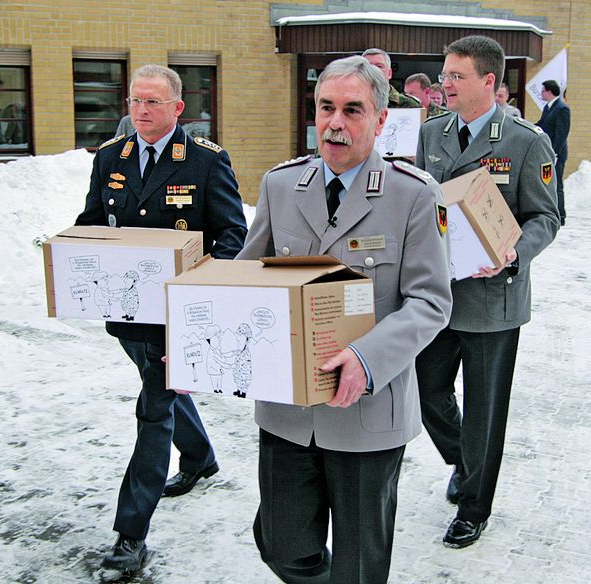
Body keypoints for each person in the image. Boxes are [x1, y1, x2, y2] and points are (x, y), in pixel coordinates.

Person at [238, 55, 452, 584]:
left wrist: (365, 357)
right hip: (288, 413)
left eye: (352, 110)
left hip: (367, 416)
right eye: (325, 108)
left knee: (359, 566)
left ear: (380, 121)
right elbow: (246, 279)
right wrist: (199, 339)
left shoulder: (413, 194)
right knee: (282, 545)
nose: (335, 122)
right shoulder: (281, 185)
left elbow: (431, 301)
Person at [75, 64, 247, 573]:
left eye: (152, 102)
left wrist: (204, 301)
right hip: (128, 312)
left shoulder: (205, 161)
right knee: (164, 386)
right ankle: (199, 458)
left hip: (178, 314)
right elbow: (91, 223)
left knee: (153, 410)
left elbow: (231, 236)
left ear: (177, 109)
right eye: (134, 101)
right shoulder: (111, 157)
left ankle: (131, 534)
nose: (141, 111)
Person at [415, 35, 560, 549]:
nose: (444, 84)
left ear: (489, 83)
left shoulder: (525, 141)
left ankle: (474, 506)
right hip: (436, 295)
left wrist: (514, 250)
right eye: (444, 74)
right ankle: (463, 460)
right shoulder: (430, 134)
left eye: (456, 76)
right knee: (427, 391)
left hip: (492, 300)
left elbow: (546, 215)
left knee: (484, 410)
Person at [536, 79, 571, 225]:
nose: (541, 93)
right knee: (548, 183)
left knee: (557, 185)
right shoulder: (548, 107)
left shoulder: (562, 108)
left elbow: (562, 134)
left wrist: (555, 153)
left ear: (549, 91)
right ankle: (552, 212)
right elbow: (541, 125)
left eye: (543, 90)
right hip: (548, 151)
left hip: (557, 154)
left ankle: (561, 215)